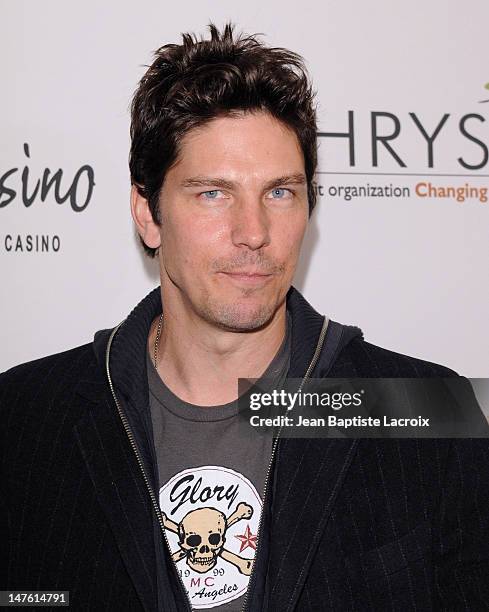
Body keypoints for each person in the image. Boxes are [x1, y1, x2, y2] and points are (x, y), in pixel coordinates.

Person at [1, 23, 488, 612]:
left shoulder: (428, 408)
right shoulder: (23, 419)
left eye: (280, 192)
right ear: (148, 214)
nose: (254, 233)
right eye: (213, 194)